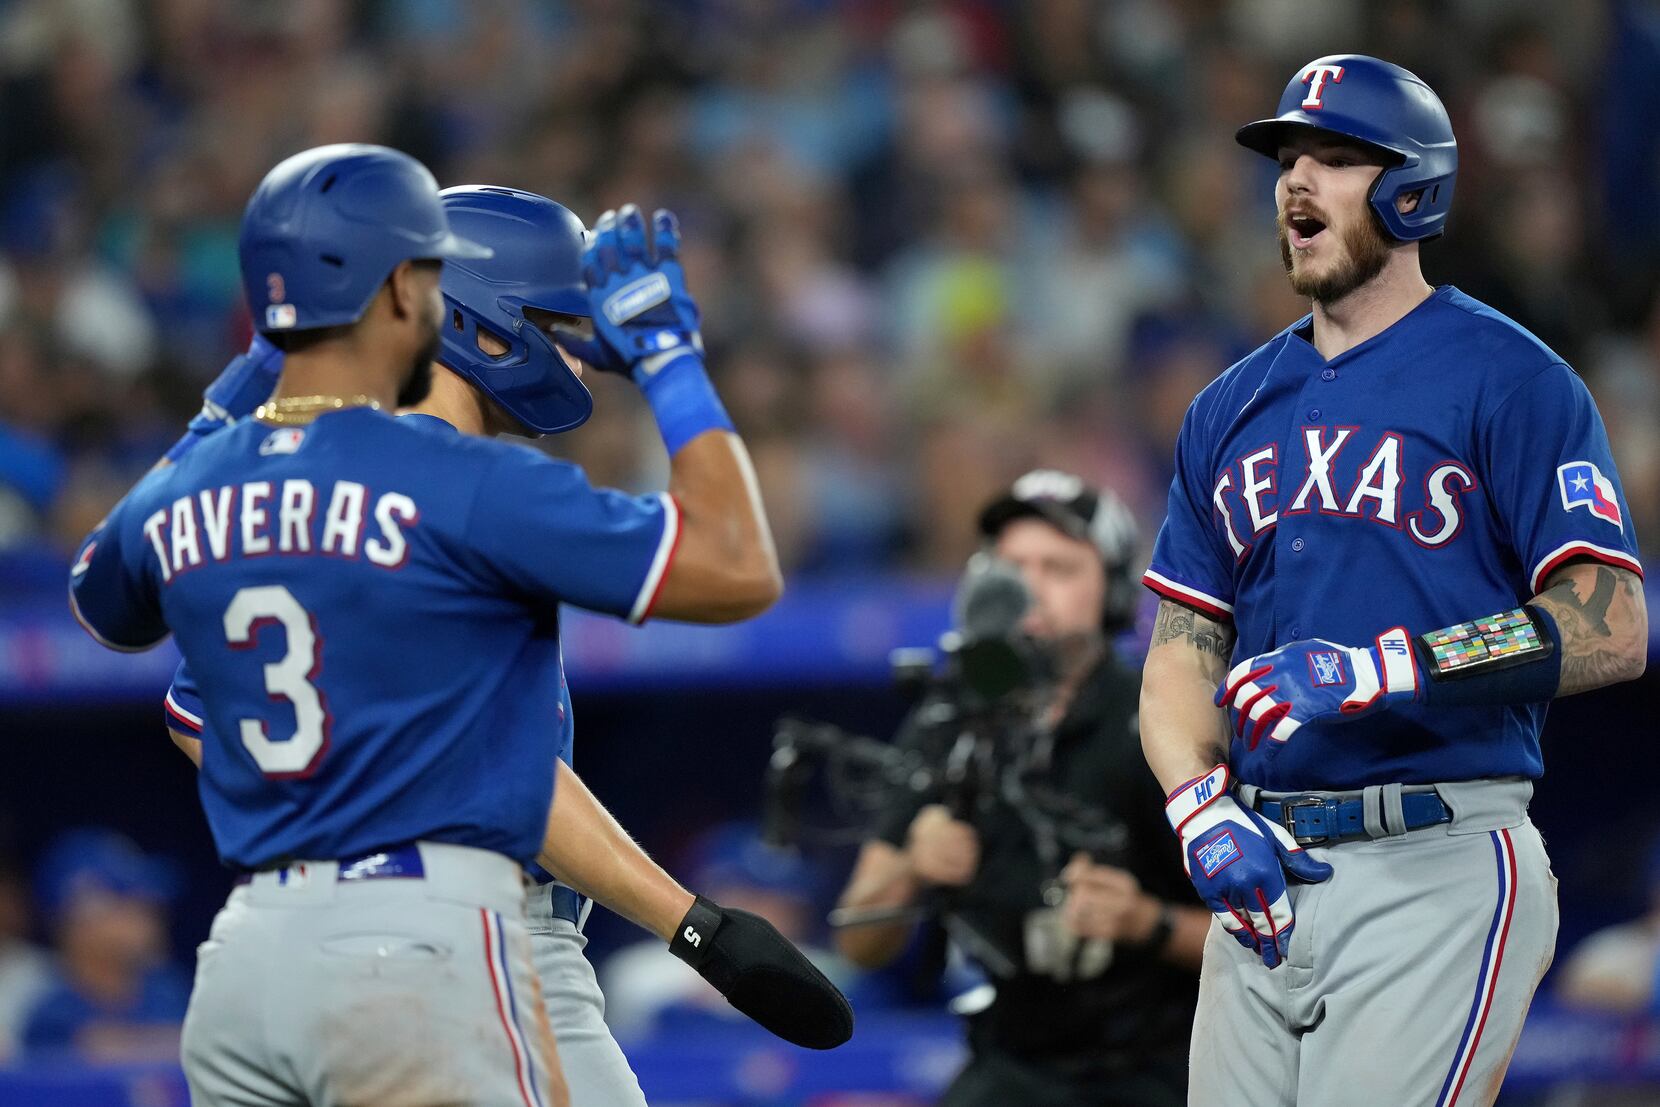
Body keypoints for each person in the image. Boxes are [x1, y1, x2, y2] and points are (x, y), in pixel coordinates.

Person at [61, 142, 808, 1106]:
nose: (577, 349)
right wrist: (667, 357)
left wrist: (242, 388)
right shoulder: (455, 480)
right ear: (429, 305)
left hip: (253, 954)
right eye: (553, 323)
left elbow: (133, 638)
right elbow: (738, 565)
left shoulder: (229, 472)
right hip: (440, 930)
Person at [1140, 56, 1648, 1107]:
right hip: (1264, 879)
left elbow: (1612, 623)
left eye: (1333, 158)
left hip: (1439, 858)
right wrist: (1197, 808)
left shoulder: (1512, 378)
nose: (1295, 183)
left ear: (1411, 188)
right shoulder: (1226, 406)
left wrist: (1391, 667)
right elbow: (1180, 652)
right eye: (1288, 159)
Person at [836, 469, 1208, 1107]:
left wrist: (1147, 922)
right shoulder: (948, 719)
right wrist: (911, 867)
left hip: (1164, 1066)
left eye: (1059, 569)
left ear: (1115, 591)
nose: (1029, 588)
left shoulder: (1159, 720)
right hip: (1011, 1066)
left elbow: (1269, 938)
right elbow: (858, 941)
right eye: (1010, 567)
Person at [19, 829, 187, 1063]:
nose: (148, 916)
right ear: (78, 919)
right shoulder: (53, 1016)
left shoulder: (171, 991)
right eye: (128, 902)